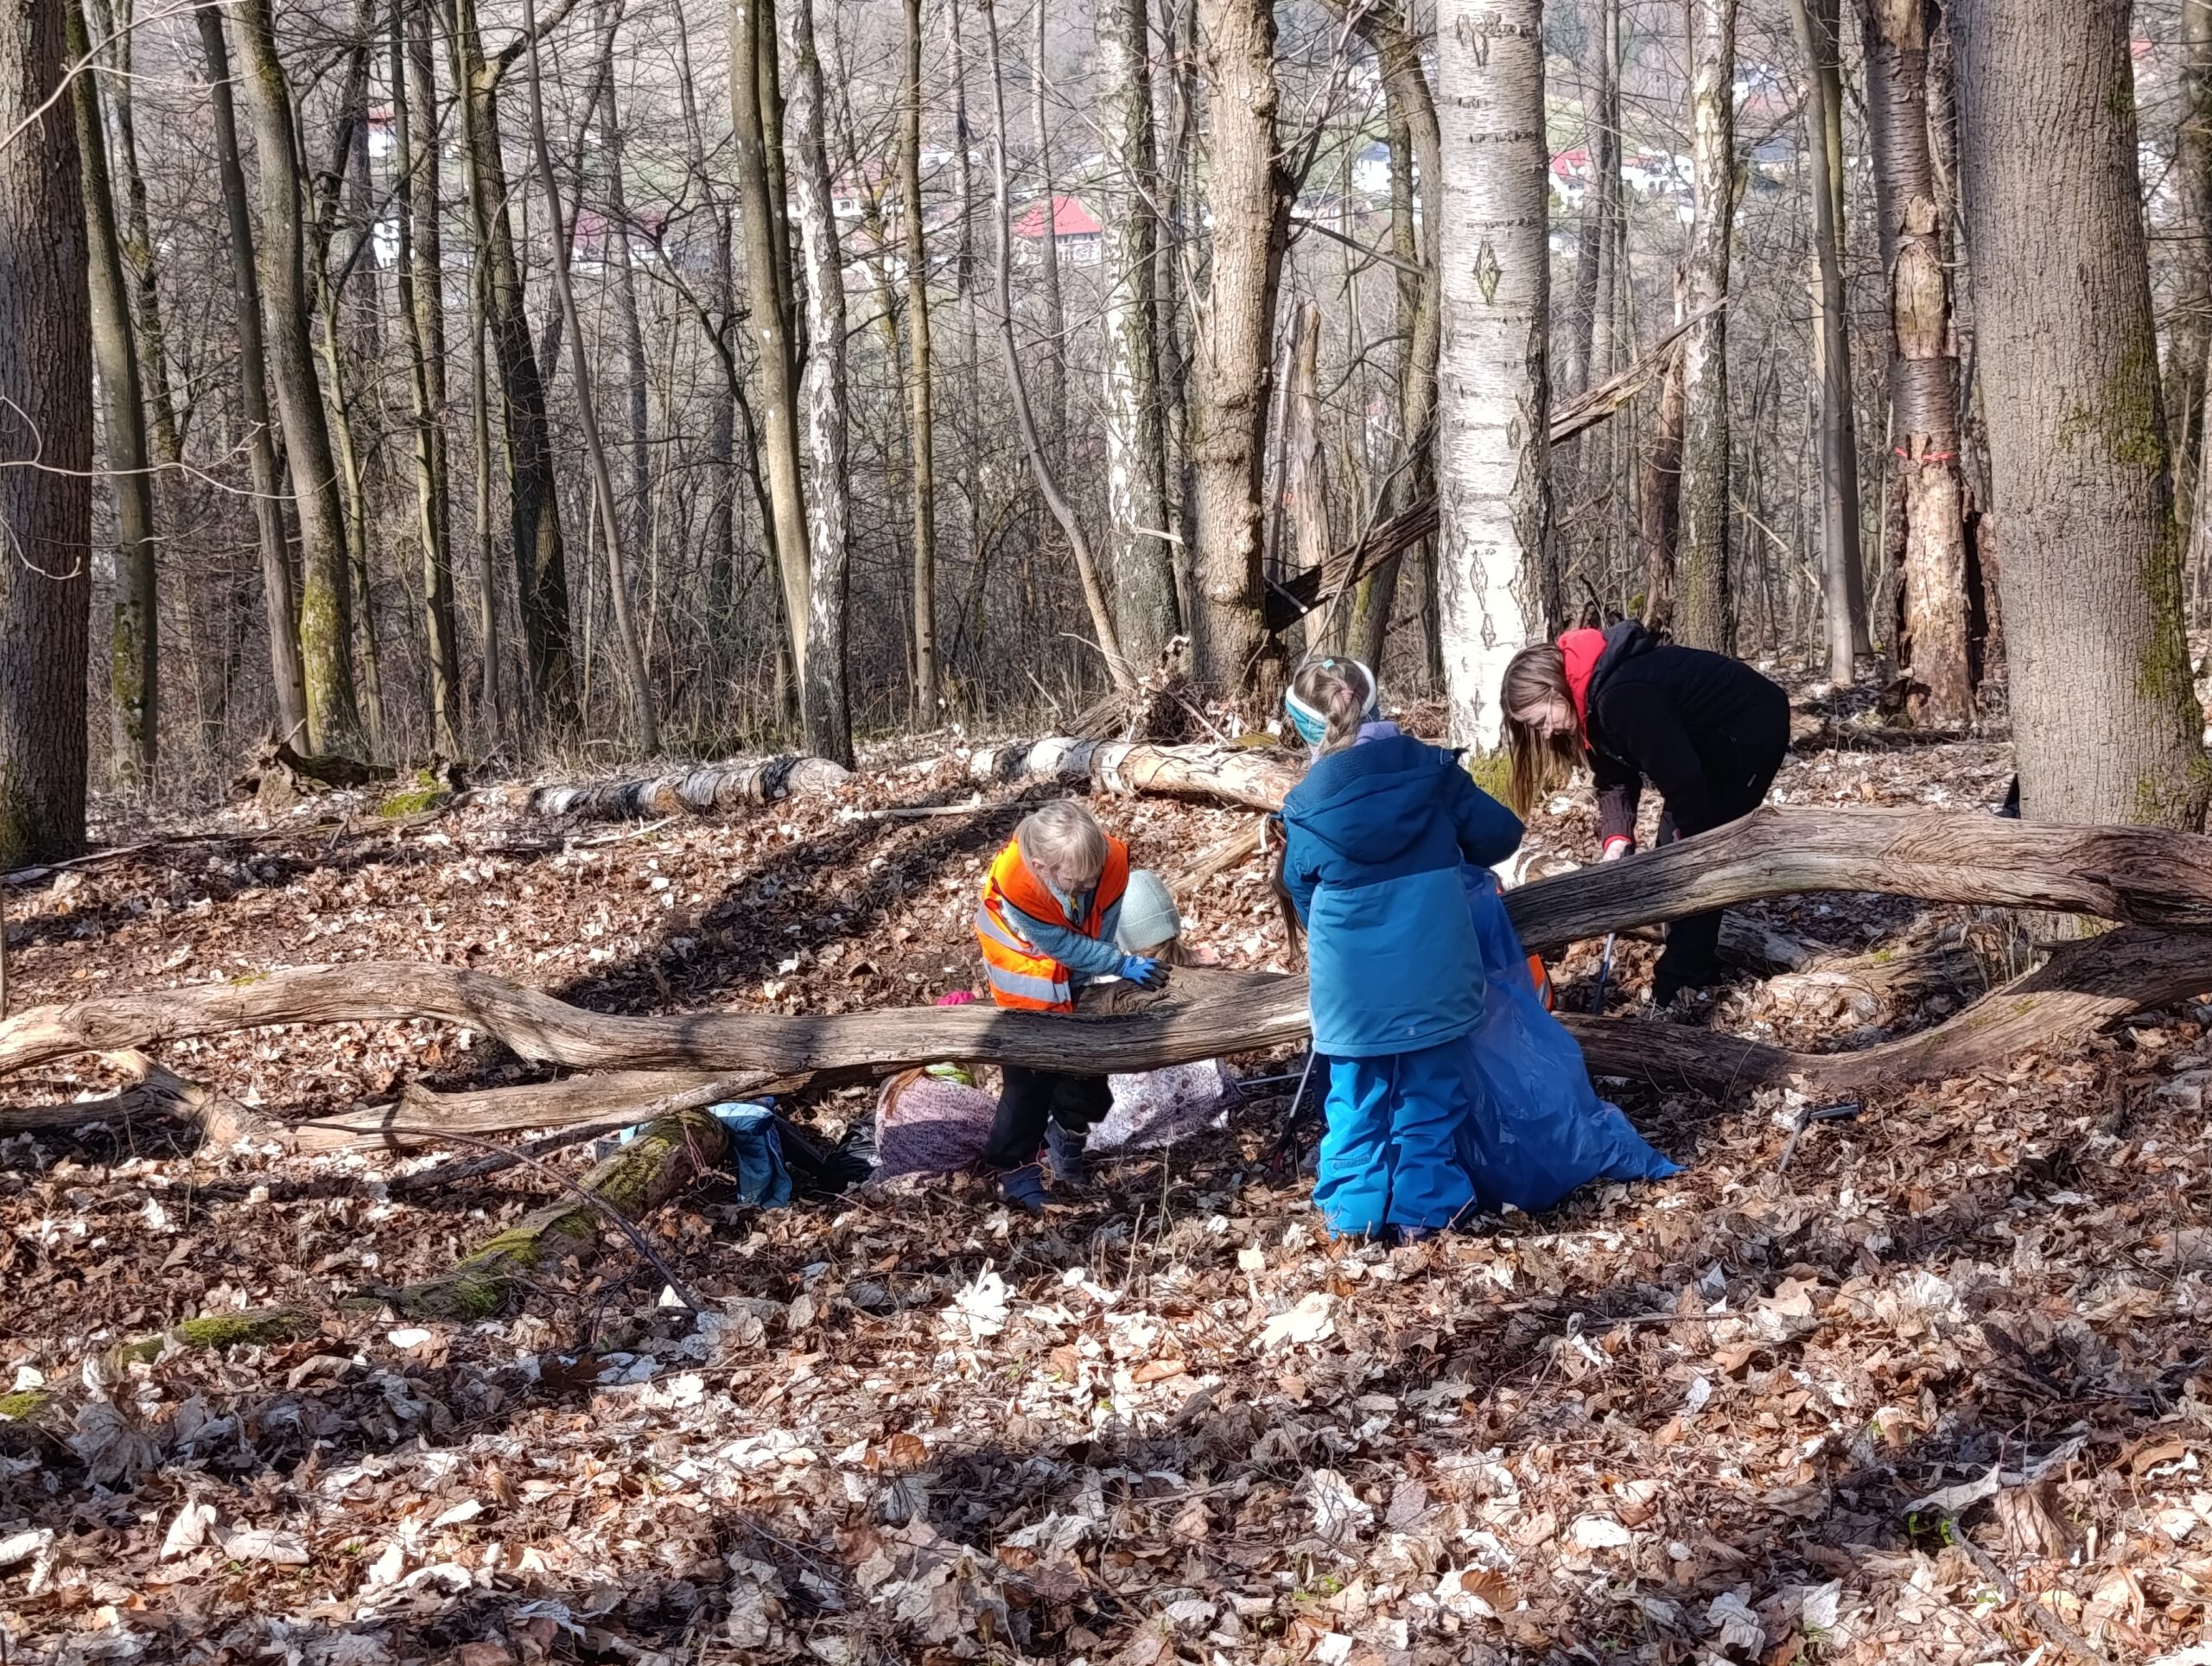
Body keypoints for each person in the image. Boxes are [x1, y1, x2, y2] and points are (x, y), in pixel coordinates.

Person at [1275, 657, 1524, 1240]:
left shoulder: (1306, 803)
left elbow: (1299, 887)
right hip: (1437, 972)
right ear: (1377, 701)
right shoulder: (1431, 772)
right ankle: (1426, 1213)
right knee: (1431, 1094)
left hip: (1351, 991)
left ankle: (1353, 1219)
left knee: (1356, 1099)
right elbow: (1501, 834)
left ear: (1307, 727)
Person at [1500, 621, 1789, 1007]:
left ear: (1554, 690)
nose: (1547, 733)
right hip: (1701, 754)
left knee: (1698, 863)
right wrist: (1617, 836)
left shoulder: (1620, 697)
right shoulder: (1592, 698)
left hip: (1747, 733)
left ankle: (1684, 984)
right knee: (1673, 858)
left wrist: (1692, 839)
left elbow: (1682, 776)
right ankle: (1688, 962)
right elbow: (1614, 776)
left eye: (1542, 721)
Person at [973, 799, 1166, 1211]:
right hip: (1025, 977)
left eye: (1091, 879)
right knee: (1029, 1081)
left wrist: (1094, 979)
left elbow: (1102, 927)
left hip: (1076, 976)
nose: (1085, 887)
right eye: (1075, 882)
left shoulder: (1109, 863)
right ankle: (1014, 1167)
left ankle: (1065, 1133)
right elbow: (1060, 945)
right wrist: (1119, 963)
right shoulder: (1019, 883)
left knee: (1089, 1077)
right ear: (1042, 867)